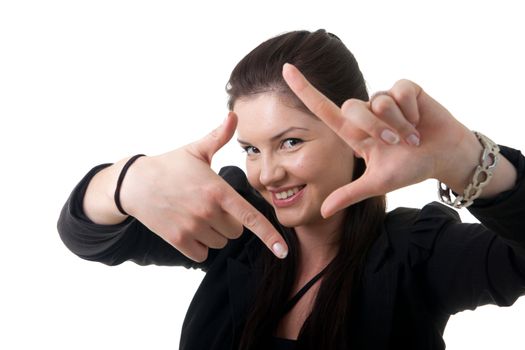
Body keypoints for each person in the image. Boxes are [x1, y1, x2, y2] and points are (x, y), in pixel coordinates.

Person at [57, 29, 525, 350]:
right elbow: (85, 234)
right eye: (251, 150)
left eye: (290, 142)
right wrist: (128, 181)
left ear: (350, 134)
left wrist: (469, 162)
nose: (267, 174)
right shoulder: (233, 226)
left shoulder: (418, 251)